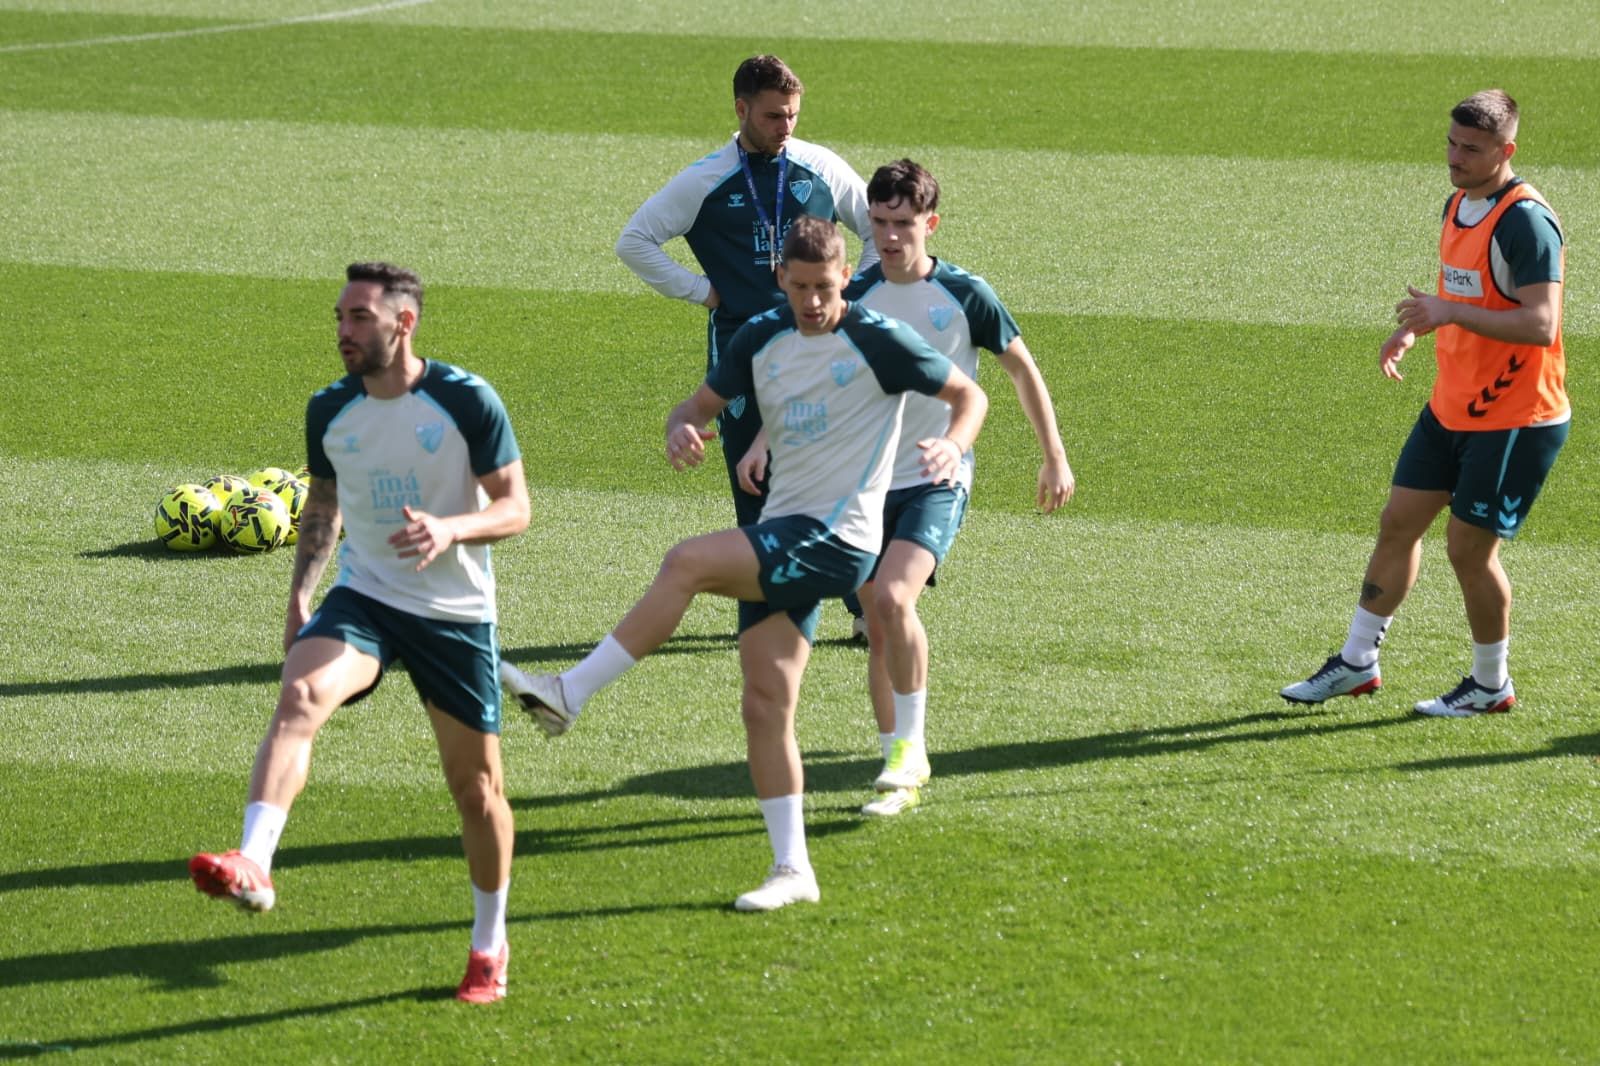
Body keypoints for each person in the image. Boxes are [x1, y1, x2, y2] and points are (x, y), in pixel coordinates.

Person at [503, 217, 986, 909]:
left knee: (687, 563)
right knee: (764, 708)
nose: (813, 301)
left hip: (839, 540)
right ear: (780, 282)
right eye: (800, 287)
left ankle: (569, 694)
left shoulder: (877, 340)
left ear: (845, 279)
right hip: (781, 530)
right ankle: (793, 870)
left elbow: (970, 396)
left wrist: (951, 445)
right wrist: (680, 431)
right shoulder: (760, 337)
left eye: (825, 286)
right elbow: (695, 405)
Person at [188, 262, 532, 1003]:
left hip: (453, 615)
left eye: (359, 319)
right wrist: (301, 594)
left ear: (403, 324)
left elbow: (516, 508)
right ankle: (253, 861)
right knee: (302, 691)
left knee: (476, 792)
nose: (343, 333)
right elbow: (323, 504)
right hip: (366, 595)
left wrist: (452, 527)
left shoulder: (466, 400)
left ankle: (488, 943)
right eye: (340, 318)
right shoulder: (329, 409)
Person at [742, 160, 1075, 816]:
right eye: (880, 222)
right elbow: (807, 376)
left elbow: (1021, 371)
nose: (890, 236)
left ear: (930, 223)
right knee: (877, 619)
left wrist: (1053, 458)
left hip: (935, 478)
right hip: (861, 484)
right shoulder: (852, 292)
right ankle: (896, 760)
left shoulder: (963, 293)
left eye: (903, 223)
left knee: (894, 598)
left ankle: (909, 749)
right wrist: (762, 440)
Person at [1281, 89, 1568, 718]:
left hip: (1516, 416)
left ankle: (1491, 683)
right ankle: (1357, 663)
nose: (1455, 157)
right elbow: (1464, 292)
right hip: (1452, 405)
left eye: (1471, 148)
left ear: (1506, 150)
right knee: (1398, 523)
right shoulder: (1459, 203)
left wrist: (1446, 310)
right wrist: (1420, 324)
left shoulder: (1526, 222)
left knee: (1468, 549)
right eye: (1451, 143)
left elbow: (1542, 324)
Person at [614, 54, 878, 538]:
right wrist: (703, 292)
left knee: (836, 486)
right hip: (744, 349)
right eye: (773, 115)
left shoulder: (820, 165)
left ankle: (864, 609)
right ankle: (770, 608)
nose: (786, 126)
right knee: (757, 493)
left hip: (822, 346)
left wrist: (851, 295)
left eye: (793, 114)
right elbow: (634, 241)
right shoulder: (705, 179)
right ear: (741, 109)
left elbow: (875, 231)